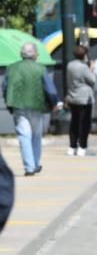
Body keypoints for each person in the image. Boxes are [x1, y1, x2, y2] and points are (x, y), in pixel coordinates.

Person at [2, 42, 60, 176]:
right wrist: (54, 103)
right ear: (34, 54)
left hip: (18, 105)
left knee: (24, 136)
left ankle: (29, 167)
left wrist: (8, 101)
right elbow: (50, 89)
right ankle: (35, 163)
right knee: (35, 136)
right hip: (37, 106)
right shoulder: (40, 68)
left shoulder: (11, 68)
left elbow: (4, 87)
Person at [65, 44, 95, 157]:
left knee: (74, 122)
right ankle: (82, 146)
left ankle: (72, 146)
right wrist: (91, 69)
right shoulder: (84, 67)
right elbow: (92, 80)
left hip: (73, 97)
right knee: (84, 124)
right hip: (84, 98)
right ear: (84, 55)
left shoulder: (70, 65)